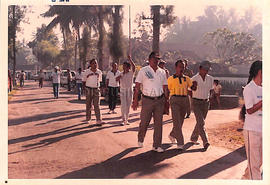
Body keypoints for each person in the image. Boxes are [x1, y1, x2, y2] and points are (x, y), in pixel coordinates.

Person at [132, 51, 169, 153]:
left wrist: (166, 101)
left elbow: (165, 87)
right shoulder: (143, 71)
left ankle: (156, 145)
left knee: (158, 124)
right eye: (154, 58)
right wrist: (135, 100)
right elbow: (137, 86)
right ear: (149, 59)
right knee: (144, 122)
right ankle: (141, 138)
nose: (156, 61)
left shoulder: (162, 72)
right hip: (147, 100)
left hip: (159, 100)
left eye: (158, 59)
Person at [167, 60, 197, 150]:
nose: (182, 68)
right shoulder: (170, 79)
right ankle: (180, 143)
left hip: (184, 100)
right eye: (180, 66)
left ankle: (172, 134)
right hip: (174, 100)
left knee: (180, 122)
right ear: (176, 67)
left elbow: (193, 88)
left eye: (183, 67)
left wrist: (195, 85)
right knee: (176, 121)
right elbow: (168, 89)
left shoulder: (187, 79)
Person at [240, 60, 262, 180]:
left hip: (264, 130)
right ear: (260, 71)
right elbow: (249, 110)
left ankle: (245, 179)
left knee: (259, 163)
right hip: (252, 131)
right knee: (255, 166)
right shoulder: (249, 88)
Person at [190, 60, 214, 151]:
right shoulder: (194, 79)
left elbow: (211, 90)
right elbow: (190, 90)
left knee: (200, 122)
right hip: (196, 102)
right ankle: (205, 141)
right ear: (200, 68)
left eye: (208, 70)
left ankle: (193, 137)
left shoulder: (210, 78)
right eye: (205, 69)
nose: (206, 71)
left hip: (206, 103)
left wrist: (211, 97)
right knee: (201, 122)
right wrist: (193, 87)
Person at [82, 59, 104, 126]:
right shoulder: (86, 72)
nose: (95, 65)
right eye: (93, 63)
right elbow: (83, 81)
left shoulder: (99, 72)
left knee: (97, 105)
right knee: (88, 104)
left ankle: (98, 120)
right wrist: (84, 89)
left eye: (96, 63)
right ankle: (88, 118)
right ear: (90, 64)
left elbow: (100, 81)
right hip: (88, 89)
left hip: (96, 89)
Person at [116, 55, 136, 126]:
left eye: (125, 66)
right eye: (123, 66)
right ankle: (123, 120)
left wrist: (130, 59)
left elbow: (134, 67)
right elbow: (116, 79)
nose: (123, 67)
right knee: (123, 105)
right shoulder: (121, 73)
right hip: (123, 90)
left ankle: (126, 120)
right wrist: (121, 75)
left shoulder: (131, 73)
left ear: (128, 67)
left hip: (129, 90)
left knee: (128, 105)